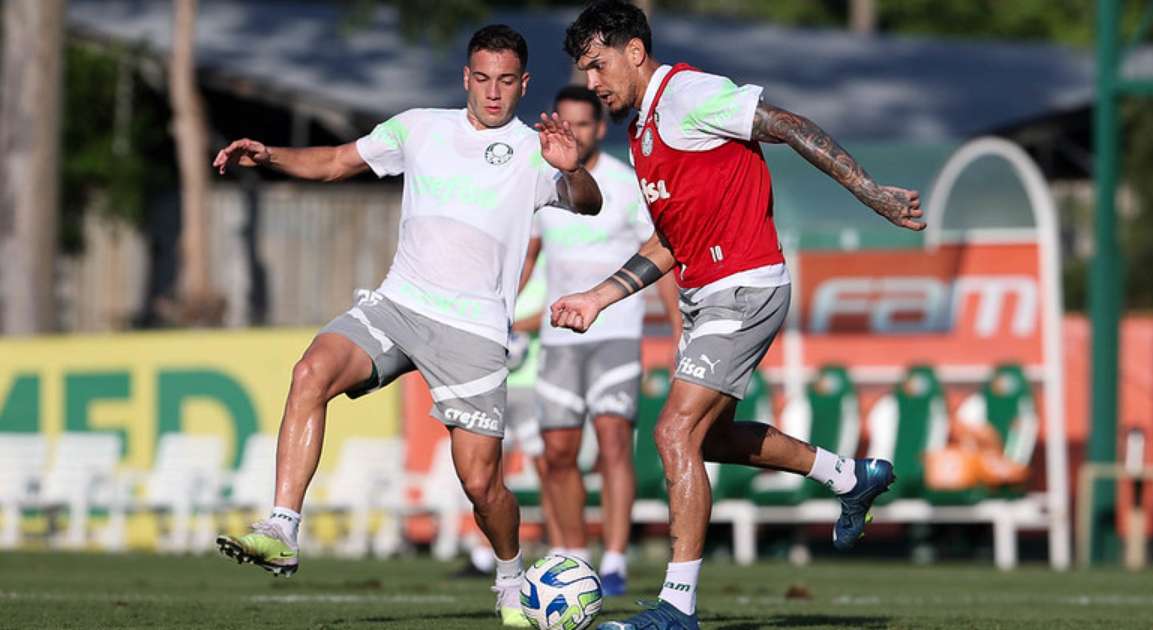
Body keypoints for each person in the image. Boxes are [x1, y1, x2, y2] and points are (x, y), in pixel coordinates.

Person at [210, 24, 602, 628]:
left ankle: (508, 574)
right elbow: (339, 161)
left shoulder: (536, 148)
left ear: (524, 84)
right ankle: (283, 526)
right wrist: (273, 155)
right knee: (310, 371)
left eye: (505, 81)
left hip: (472, 334)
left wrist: (574, 169)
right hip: (399, 304)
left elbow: (588, 203)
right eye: (481, 78)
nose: (492, 93)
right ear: (464, 78)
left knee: (481, 485)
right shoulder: (418, 127)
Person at [552, 2, 926, 628]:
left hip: (745, 284)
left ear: (635, 53)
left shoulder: (690, 93)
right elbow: (672, 241)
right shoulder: (642, 130)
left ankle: (676, 609)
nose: (591, 82)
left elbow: (786, 123)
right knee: (713, 438)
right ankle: (849, 476)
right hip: (708, 292)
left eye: (597, 64)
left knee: (673, 432)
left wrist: (872, 194)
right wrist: (598, 297)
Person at [522, 85, 682, 596]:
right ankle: (573, 556)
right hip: (557, 339)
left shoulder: (625, 183)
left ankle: (614, 559)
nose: (574, 132)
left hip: (615, 331)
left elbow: (659, 256)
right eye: (564, 124)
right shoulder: (543, 185)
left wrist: (679, 330)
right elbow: (526, 260)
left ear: (600, 127)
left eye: (583, 124)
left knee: (614, 444)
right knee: (558, 452)